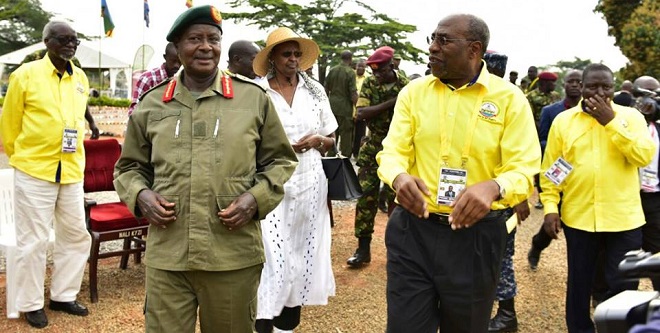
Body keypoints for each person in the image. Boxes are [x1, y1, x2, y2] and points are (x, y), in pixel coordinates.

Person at [113, 6, 298, 333]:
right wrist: (140, 195)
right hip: (168, 257)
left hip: (231, 256)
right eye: (194, 39)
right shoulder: (153, 104)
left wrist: (254, 199)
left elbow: (280, 161)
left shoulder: (253, 99)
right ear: (177, 46)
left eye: (213, 39)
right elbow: (128, 168)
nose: (205, 46)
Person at [377, 14, 540, 332]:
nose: (433, 48)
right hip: (414, 232)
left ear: (474, 50)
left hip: (475, 239)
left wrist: (494, 187)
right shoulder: (414, 93)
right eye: (433, 39)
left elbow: (524, 168)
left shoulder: (509, 100)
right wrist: (398, 177)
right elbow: (392, 151)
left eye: (444, 40)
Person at [540, 63, 655, 333]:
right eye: (593, 86)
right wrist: (549, 206)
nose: (600, 93)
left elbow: (643, 156)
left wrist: (611, 122)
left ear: (614, 88)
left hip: (624, 219)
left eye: (606, 87)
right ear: (581, 87)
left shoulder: (632, 118)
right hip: (579, 218)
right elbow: (552, 170)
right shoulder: (564, 121)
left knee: (624, 283)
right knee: (580, 284)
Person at [0, 20, 92, 329]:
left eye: (74, 40)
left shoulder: (79, 77)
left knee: (76, 234)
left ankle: (63, 295)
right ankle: (30, 303)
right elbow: (9, 125)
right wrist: (23, 157)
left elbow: (76, 121)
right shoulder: (24, 75)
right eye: (64, 39)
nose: (71, 44)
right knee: (33, 240)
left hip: (71, 170)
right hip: (34, 170)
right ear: (47, 41)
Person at [251, 26, 338, 333]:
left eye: (296, 54)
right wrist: (282, 148)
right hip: (271, 184)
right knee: (271, 258)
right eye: (286, 54)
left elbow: (332, 139)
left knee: (301, 255)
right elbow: (248, 142)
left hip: (310, 184)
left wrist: (317, 140)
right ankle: (262, 324)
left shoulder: (316, 91)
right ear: (271, 58)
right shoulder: (258, 92)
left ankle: (287, 327)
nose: (292, 59)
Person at [347, 46, 410, 268]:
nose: (377, 75)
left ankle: (397, 251)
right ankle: (363, 248)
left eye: (381, 70)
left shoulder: (407, 87)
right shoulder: (371, 83)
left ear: (391, 65)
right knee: (365, 197)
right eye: (374, 71)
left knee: (399, 201)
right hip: (374, 146)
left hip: (401, 149)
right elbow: (361, 114)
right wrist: (392, 102)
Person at [483, 50, 532, 333]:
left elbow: (522, 158)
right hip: (482, 197)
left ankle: (507, 314)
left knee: (501, 258)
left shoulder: (512, 100)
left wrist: (521, 199)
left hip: (502, 200)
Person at [527, 69, 582, 270]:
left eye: (579, 81)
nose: (575, 85)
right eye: (571, 81)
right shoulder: (551, 111)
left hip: (583, 177)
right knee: (553, 222)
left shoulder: (595, 111)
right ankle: (537, 246)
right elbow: (540, 138)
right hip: (559, 171)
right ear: (564, 85)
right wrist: (556, 146)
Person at [19, 48, 100, 139]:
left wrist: (91, 122)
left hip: (69, 138)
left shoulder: (73, 62)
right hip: (37, 138)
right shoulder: (33, 59)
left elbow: (80, 100)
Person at [634, 75, 660, 290]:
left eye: (655, 94)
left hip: (654, 200)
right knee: (624, 253)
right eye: (644, 94)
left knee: (656, 251)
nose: (650, 101)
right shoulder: (620, 123)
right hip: (627, 199)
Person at [527, 71, 561, 210]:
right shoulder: (531, 97)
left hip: (556, 136)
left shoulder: (556, 96)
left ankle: (557, 195)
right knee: (541, 168)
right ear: (543, 83)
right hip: (538, 137)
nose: (554, 85)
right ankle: (541, 197)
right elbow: (528, 117)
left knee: (558, 167)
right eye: (551, 82)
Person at [128, 42, 181, 115]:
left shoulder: (180, 80)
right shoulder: (148, 78)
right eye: (173, 61)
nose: (177, 65)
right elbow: (134, 109)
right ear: (165, 57)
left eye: (180, 61)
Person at [325, 50, 357, 157]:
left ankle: (330, 156)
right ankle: (345, 158)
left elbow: (326, 88)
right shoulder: (351, 72)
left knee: (333, 133)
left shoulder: (332, 70)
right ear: (351, 59)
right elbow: (353, 93)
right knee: (346, 134)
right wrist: (357, 108)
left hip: (332, 106)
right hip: (345, 107)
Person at [352, 58, 369, 159]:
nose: (360, 68)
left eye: (363, 66)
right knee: (349, 133)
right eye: (359, 66)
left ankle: (357, 153)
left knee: (360, 133)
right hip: (350, 108)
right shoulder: (351, 76)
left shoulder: (368, 78)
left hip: (362, 110)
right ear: (356, 66)